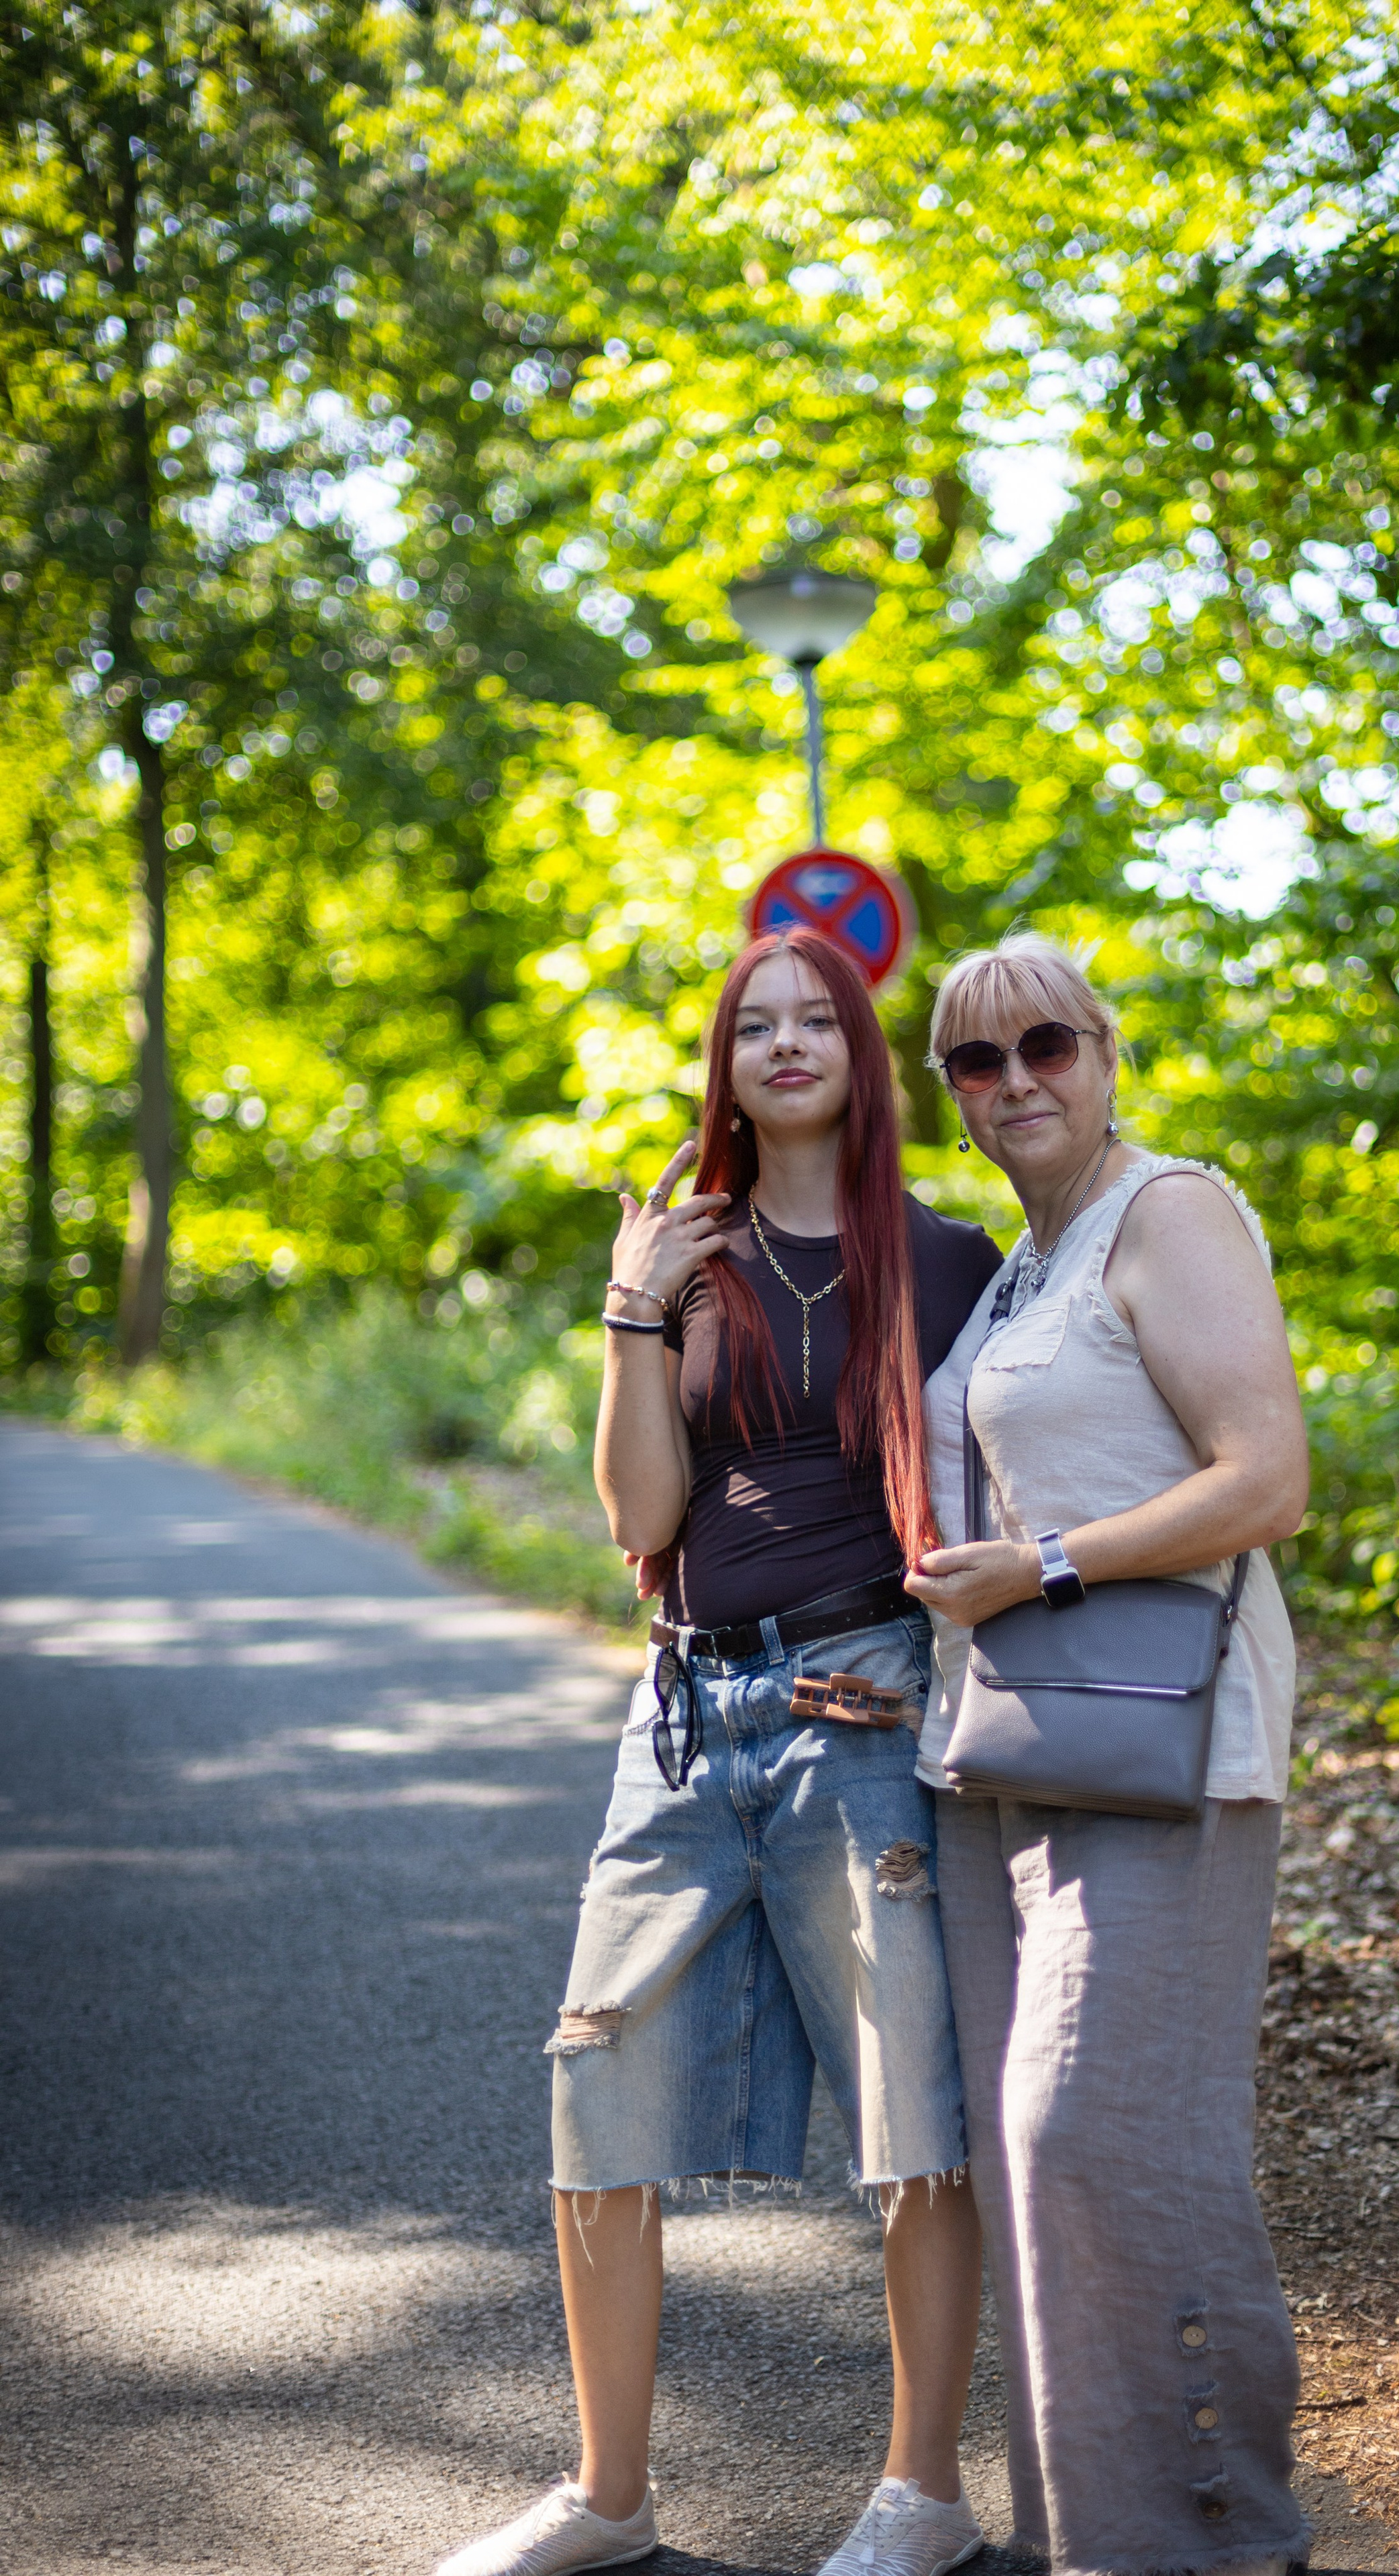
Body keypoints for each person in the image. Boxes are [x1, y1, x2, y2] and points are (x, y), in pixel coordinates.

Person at [436, 926, 1002, 2576]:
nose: (780, 1042)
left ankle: (924, 2500)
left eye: (811, 1017)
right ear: (723, 1062)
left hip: (865, 1710)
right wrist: (629, 1311)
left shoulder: (950, 1259)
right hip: (683, 1716)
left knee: (917, 2115)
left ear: (857, 1051)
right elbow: (637, 1517)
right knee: (594, 2086)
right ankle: (608, 2501)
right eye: (750, 1024)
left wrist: (958, 1647)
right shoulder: (684, 1252)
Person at [904, 930, 1310, 2576]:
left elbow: (1264, 1477)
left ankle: (1226, 2533)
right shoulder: (1026, 1257)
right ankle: (1099, 2538)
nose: (1013, 1085)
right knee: (1027, 2158)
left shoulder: (1171, 1213)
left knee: (1108, 2132)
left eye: (1044, 1047)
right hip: (998, 1752)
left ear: (1106, 1051)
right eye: (974, 1064)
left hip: (1166, 1749)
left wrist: (1047, 1564)